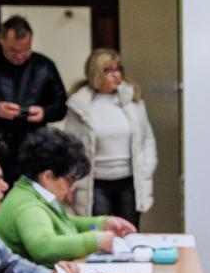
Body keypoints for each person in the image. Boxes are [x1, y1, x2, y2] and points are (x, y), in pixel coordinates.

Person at [0, 127, 137, 264]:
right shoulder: (28, 207)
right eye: (69, 179)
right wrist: (95, 241)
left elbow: (62, 222)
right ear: (48, 176)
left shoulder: (31, 192)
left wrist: (101, 223)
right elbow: (44, 247)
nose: (72, 187)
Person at [0, 15, 68, 184]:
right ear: (1, 39)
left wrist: (44, 113)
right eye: (14, 50)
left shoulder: (43, 66)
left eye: (26, 49)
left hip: (36, 149)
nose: (20, 56)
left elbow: (61, 106)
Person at [58, 48, 158, 227]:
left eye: (118, 69)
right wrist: (69, 180)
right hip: (95, 183)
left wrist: (146, 168)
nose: (116, 75)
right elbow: (71, 147)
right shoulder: (80, 105)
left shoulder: (133, 101)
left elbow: (147, 139)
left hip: (129, 182)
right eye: (108, 70)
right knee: (99, 235)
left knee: (129, 234)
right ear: (96, 73)